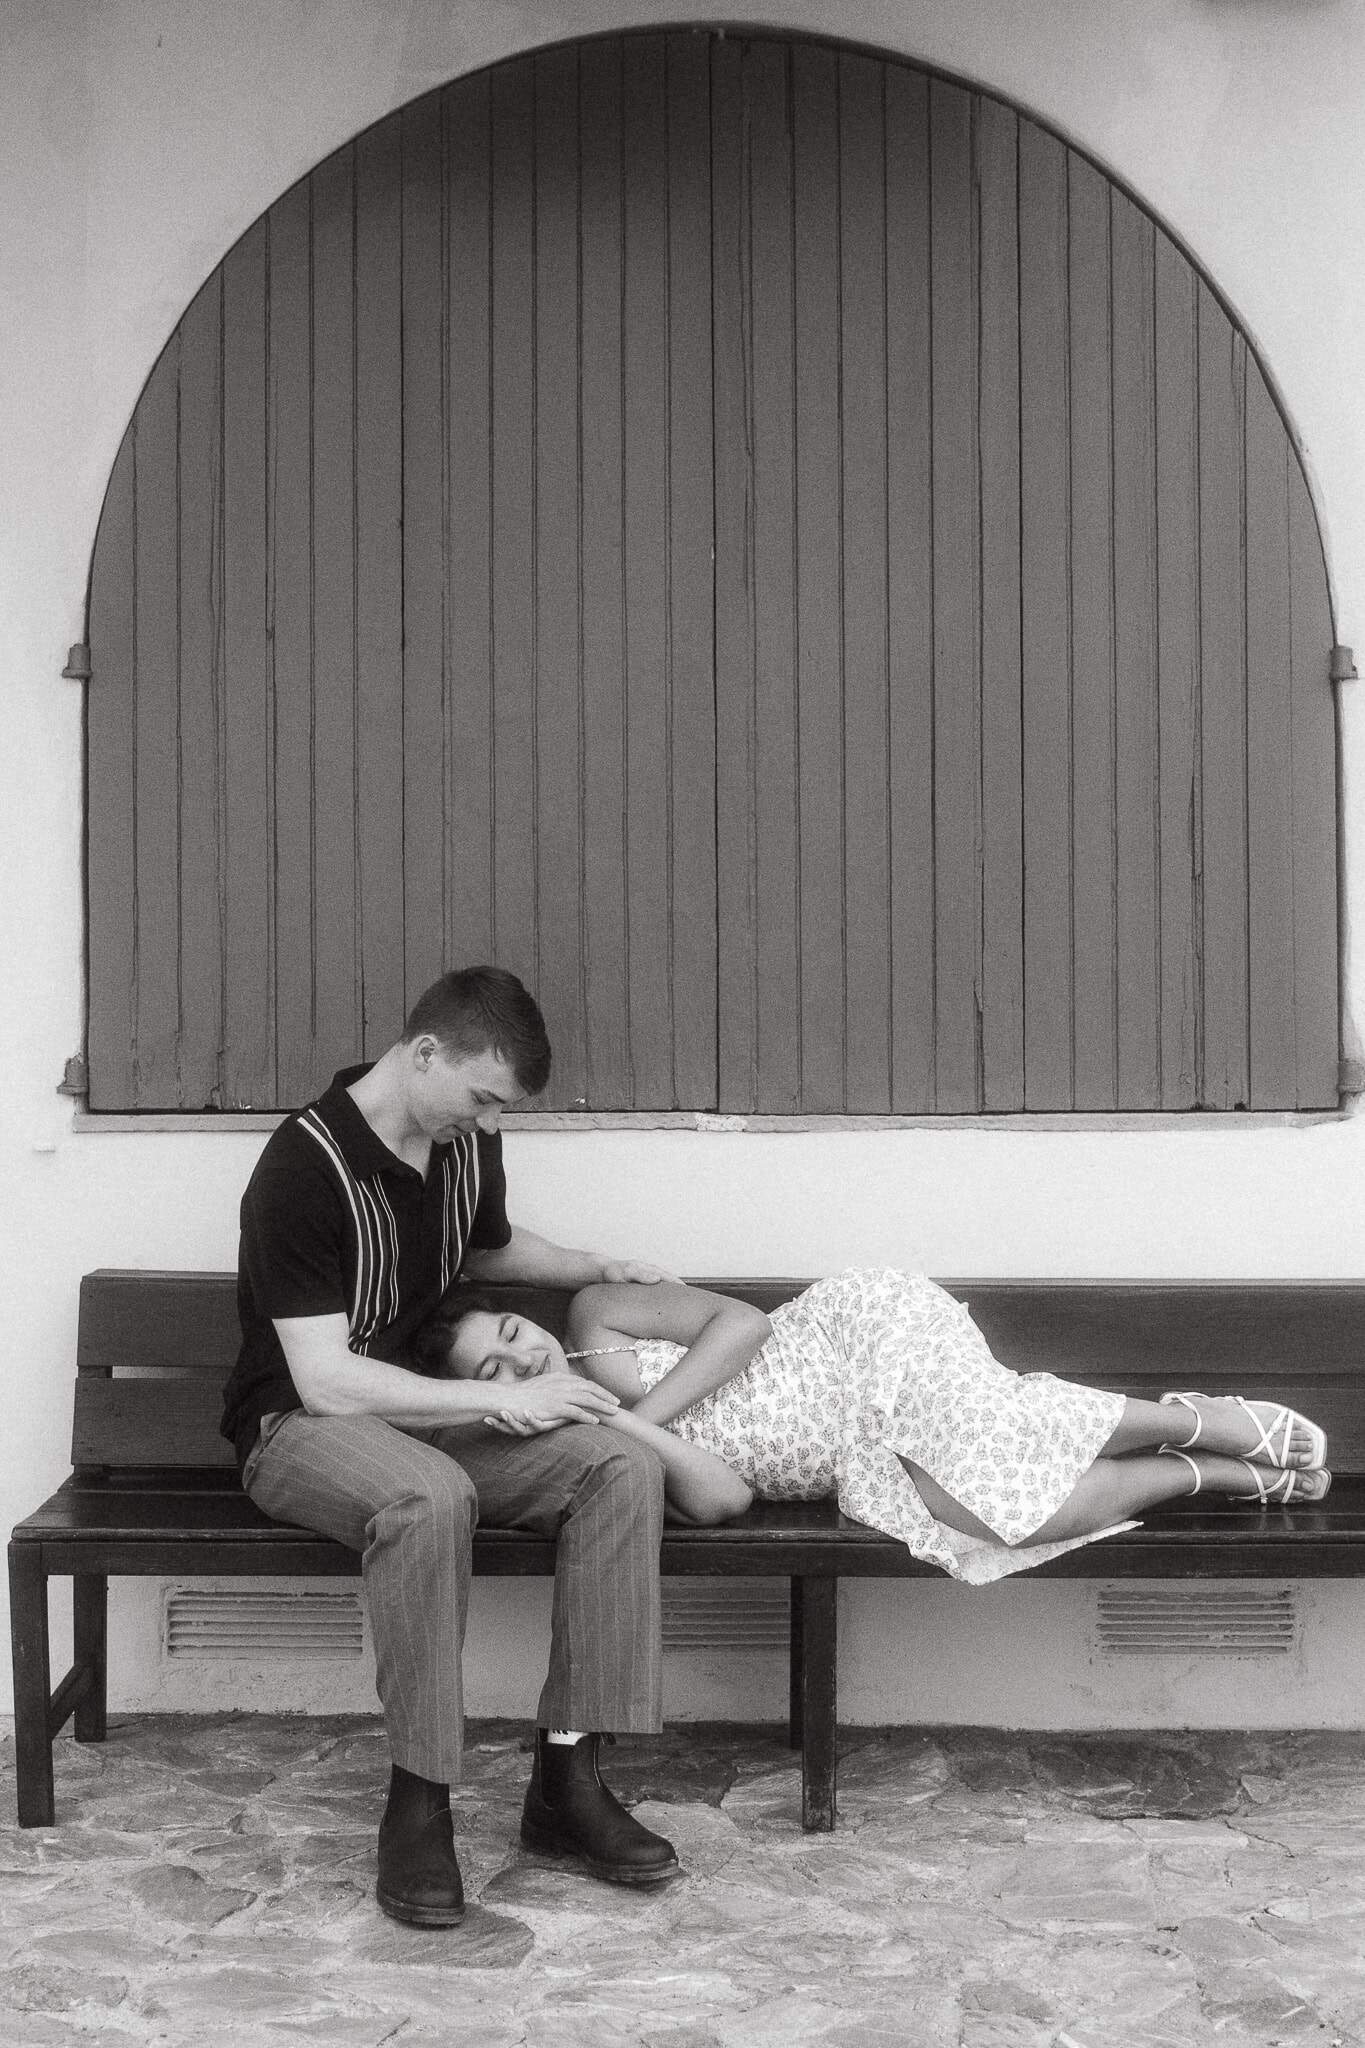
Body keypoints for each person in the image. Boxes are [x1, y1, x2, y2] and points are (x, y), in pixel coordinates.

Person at [221, 966, 680, 1930]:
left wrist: (597, 1264)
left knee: (619, 1466)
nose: (487, 1120)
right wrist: (493, 1397)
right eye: (480, 1097)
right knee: (427, 1497)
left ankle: (567, 1782)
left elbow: (487, 1244)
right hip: (301, 1428)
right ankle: (419, 1802)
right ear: (425, 1053)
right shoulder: (301, 1169)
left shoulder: (461, 1138)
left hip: (425, 1416)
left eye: (498, 1108)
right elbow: (325, 1381)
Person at [415, 1268, 1331, 1583]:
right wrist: (616, 1431)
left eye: (510, 1332)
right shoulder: (578, 1450)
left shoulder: (594, 1318)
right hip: (857, 1455)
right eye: (490, 1373)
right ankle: (1201, 1469)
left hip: (849, 1344)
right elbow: (723, 1499)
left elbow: (744, 1324)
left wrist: (633, 1410)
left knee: (979, 1425)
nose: (520, 1359)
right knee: (988, 1516)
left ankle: (1193, 1419)